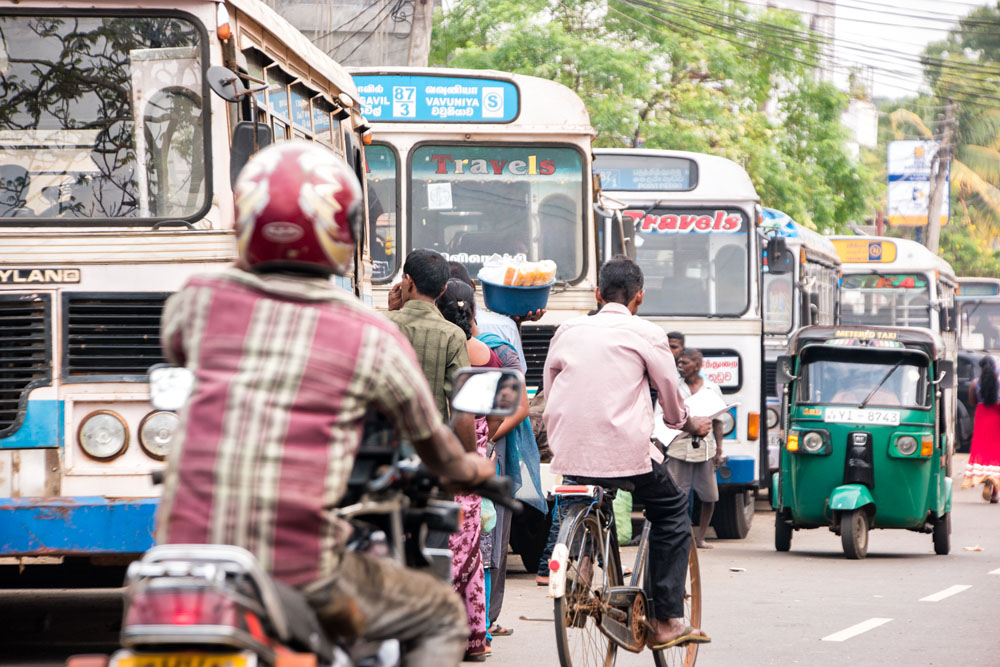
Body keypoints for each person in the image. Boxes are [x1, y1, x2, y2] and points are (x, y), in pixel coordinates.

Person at [155, 142, 495, 667]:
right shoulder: (369, 334)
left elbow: (180, 349)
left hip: (175, 566)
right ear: (345, 231)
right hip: (301, 573)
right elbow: (440, 451)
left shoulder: (195, 299)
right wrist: (474, 469)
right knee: (440, 615)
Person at [543, 256, 712, 649]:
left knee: (586, 493)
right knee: (670, 511)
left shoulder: (568, 329)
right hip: (624, 451)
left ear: (598, 294)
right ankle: (667, 621)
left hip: (570, 445)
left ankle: (580, 572)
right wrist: (684, 422)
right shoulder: (647, 333)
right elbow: (670, 401)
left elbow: (551, 390)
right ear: (639, 297)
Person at [436, 278, 495, 661]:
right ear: (472, 312)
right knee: (470, 554)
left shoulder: (434, 342)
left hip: (437, 455)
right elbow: (482, 412)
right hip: (470, 455)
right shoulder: (483, 352)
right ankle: (473, 640)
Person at [666, 348, 725, 549]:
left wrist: (719, 450)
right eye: (679, 363)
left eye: (684, 363)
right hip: (678, 448)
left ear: (697, 365)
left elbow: (718, 421)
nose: (680, 367)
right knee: (676, 494)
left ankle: (700, 538)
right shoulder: (675, 388)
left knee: (709, 496)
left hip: (705, 449)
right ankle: (681, 535)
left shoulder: (711, 388)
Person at [964, 355, 1000, 503]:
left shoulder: (975, 383)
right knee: (996, 453)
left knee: (983, 451)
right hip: (997, 417)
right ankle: (995, 491)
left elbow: (972, 402)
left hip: (982, 418)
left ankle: (986, 481)